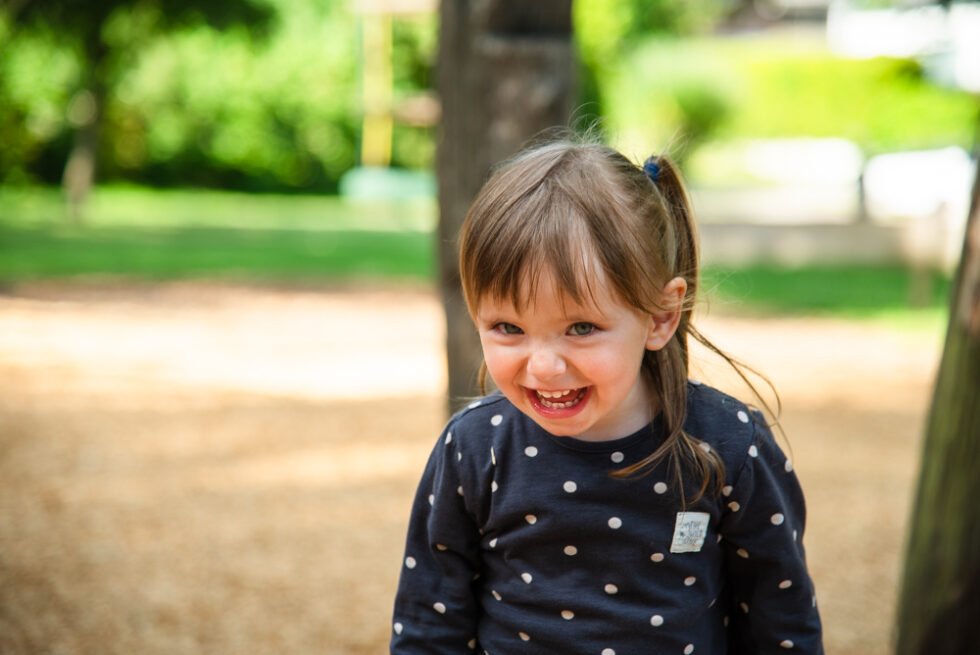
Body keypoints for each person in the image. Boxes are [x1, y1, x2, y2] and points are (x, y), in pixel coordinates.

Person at [390, 134, 823, 654]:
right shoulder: (475, 449)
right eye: (508, 327)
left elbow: (780, 622)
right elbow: (429, 626)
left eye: (581, 328)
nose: (544, 366)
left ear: (661, 317)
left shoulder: (729, 447)